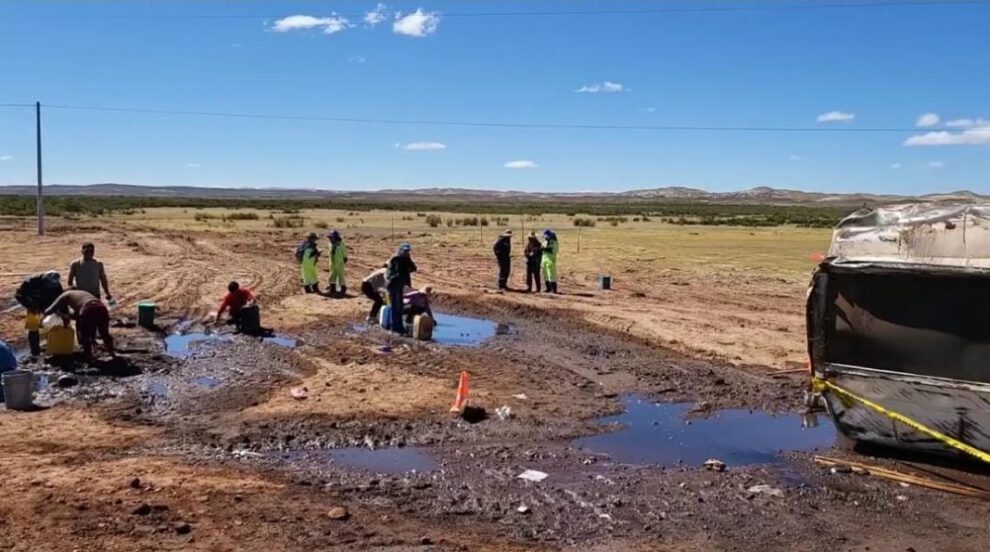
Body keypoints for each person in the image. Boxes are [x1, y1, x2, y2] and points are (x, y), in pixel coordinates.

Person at [43, 289, 115, 360]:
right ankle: (112, 353)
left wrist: (42, 318)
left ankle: (88, 355)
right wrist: (65, 315)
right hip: (101, 308)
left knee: (85, 335)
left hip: (89, 308)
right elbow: (78, 316)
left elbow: (50, 309)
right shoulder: (80, 295)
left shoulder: (65, 295)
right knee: (104, 333)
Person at [386, 243, 417, 334]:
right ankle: (395, 327)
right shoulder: (397, 258)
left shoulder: (405, 258)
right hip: (393, 284)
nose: (406, 252)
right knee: (396, 306)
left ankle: (399, 326)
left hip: (399, 284)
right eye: (405, 250)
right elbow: (399, 273)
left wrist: (408, 259)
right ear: (400, 250)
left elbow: (413, 268)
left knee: (399, 306)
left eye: (407, 251)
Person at [327, 230, 348, 297]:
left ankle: (343, 289)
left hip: (339, 263)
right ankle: (332, 288)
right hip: (332, 263)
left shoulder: (341, 244)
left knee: (341, 276)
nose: (330, 239)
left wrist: (343, 260)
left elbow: (345, 254)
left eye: (332, 237)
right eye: (330, 237)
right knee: (332, 275)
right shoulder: (330, 244)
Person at [541, 229, 560, 294]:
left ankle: (554, 290)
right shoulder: (545, 242)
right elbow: (542, 248)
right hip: (544, 259)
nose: (545, 237)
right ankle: (548, 288)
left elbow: (554, 251)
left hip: (551, 260)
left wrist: (546, 249)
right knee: (545, 274)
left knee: (551, 275)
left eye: (546, 236)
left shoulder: (554, 242)